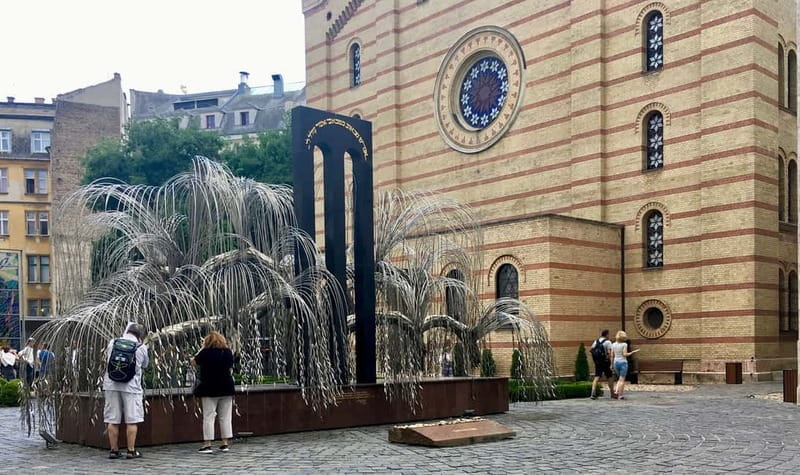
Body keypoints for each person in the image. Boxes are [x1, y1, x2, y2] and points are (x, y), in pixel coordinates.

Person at [103, 323, 149, 460]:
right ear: (140, 335)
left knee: (112, 419)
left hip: (111, 384)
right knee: (132, 420)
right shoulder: (141, 347)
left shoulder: (113, 342)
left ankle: (114, 450)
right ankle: (131, 450)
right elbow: (145, 365)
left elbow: (107, 359)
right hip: (131, 387)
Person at [191, 331, 235, 454]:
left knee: (209, 417)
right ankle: (225, 443)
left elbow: (193, 362)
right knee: (225, 417)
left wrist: (202, 349)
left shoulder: (205, 353)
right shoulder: (227, 352)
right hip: (226, 388)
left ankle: (207, 445)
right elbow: (230, 368)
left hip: (209, 388)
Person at [611, 330, 639, 400]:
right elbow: (625, 354)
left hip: (615, 362)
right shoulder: (624, 345)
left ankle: (616, 391)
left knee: (619, 379)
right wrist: (632, 352)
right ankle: (620, 395)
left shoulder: (613, 344)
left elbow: (612, 355)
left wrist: (611, 364)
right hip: (623, 362)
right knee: (622, 380)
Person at [589, 329, 614, 400]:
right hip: (606, 362)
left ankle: (593, 393)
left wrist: (595, 359)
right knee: (610, 377)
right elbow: (609, 353)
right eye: (609, 334)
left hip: (598, 362)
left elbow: (591, 350)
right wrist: (611, 363)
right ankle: (612, 393)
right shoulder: (608, 342)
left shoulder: (596, 341)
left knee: (597, 377)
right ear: (607, 335)